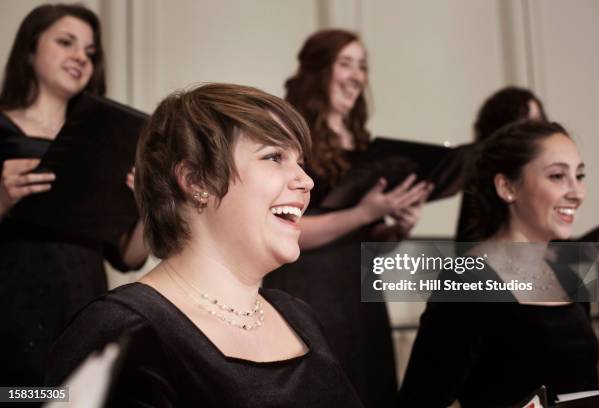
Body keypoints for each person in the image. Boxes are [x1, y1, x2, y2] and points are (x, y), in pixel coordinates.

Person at [46, 83, 365, 407]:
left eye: (299, 162)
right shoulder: (123, 331)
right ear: (196, 181)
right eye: (274, 156)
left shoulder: (299, 317)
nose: (306, 181)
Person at [264, 29, 431, 407]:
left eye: (363, 66)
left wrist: (398, 228)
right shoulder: (289, 137)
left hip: (361, 295)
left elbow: (366, 244)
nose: (357, 75)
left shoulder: (364, 145)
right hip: (307, 289)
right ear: (319, 71)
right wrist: (363, 213)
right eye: (346, 64)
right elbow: (286, 228)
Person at [399, 120, 599, 407]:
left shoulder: (570, 277)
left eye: (579, 176)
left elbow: (588, 389)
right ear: (507, 186)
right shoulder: (466, 281)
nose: (577, 192)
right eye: (557, 176)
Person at [0, 4, 148, 386]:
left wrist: (148, 207)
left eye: (90, 51)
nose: (80, 57)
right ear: (30, 50)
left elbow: (128, 256)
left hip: (86, 313)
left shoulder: (107, 143)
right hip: (11, 318)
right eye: (66, 43)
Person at [456, 86, 547, 241]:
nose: (533, 131)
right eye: (525, 123)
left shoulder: (543, 171)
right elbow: (468, 244)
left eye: (538, 122)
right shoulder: (479, 176)